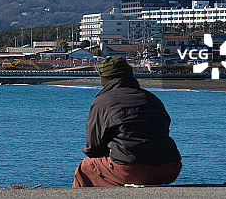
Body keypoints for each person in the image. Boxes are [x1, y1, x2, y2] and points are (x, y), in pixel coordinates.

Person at [73, 56, 182, 187]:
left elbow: (93, 147)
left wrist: (111, 151)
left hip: (131, 169)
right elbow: (163, 131)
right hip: (169, 168)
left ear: (105, 79)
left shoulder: (102, 102)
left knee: (86, 168)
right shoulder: (152, 98)